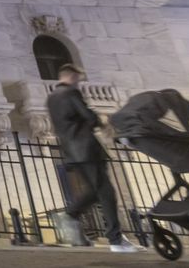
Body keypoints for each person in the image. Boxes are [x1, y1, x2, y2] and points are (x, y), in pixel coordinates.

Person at [47, 63, 144, 253]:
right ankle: (116, 240)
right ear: (72, 76)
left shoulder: (51, 98)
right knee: (106, 192)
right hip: (86, 148)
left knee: (94, 190)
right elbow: (88, 116)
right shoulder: (71, 92)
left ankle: (71, 214)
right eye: (78, 78)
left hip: (71, 151)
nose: (79, 82)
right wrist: (101, 122)